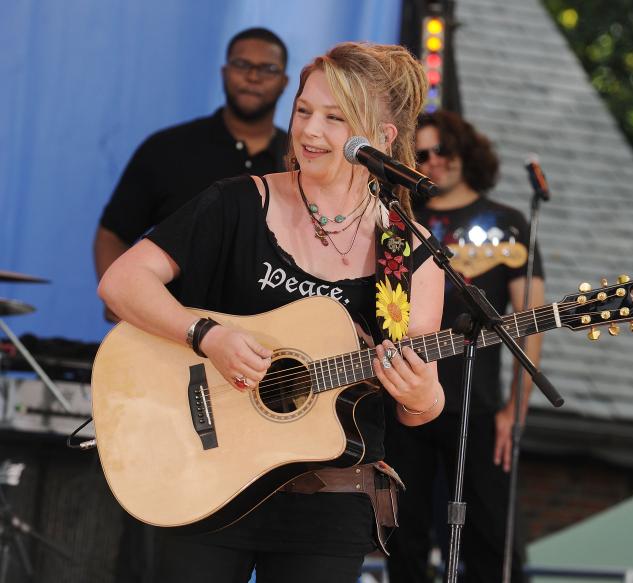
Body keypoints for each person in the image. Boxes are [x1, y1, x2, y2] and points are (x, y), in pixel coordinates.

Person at [98, 41, 446, 583]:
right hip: (208, 473)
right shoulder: (237, 203)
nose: (309, 131)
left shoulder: (408, 249)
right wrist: (207, 335)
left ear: (381, 139)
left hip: (331, 500)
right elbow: (121, 282)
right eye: (304, 110)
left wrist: (423, 396)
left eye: (335, 119)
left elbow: (417, 403)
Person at [384, 110, 544, 583]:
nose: (434, 162)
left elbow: (530, 322)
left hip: (476, 401)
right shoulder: (399, 220)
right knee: (401, 529)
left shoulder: (509, 222)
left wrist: (516, 409)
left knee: (488, 533)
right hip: (401, 396)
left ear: (465, 152)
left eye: (443, 150)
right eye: (422, 154)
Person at [94, 27, 290, 321]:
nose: (253, 76)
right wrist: (121, 299)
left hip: (267, 347)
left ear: (285, 82)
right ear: (224, 71)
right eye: (242, 65)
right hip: (169, 337)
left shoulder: (298, 162)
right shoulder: (168, 149)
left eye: (268, 69)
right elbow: (113, 233)